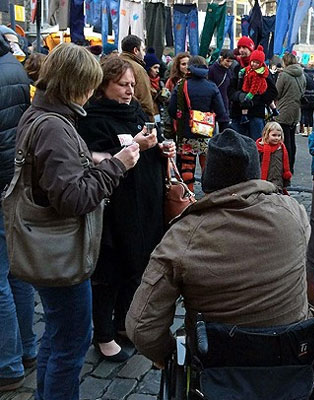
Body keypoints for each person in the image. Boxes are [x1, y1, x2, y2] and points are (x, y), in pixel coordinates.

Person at [14, 43, 139, 400]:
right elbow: (73, 199)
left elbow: (55, 174)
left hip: (50, 248)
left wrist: (95, 159)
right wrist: (117, 165)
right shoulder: (55, 125)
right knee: (70, 342)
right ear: (76, 84)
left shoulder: (43, 114)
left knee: (57, 335)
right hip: (60, 253)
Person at [125, 128, 310, 366]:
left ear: (210, 176)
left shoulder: (183, 237)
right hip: (290, 353)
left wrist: (168, 355)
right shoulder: (293, 212)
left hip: (217, 363)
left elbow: (141, 327)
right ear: (254, 174)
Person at [77, 56, 174, 362]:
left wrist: (161, 150)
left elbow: (144, 150)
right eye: (122, 85)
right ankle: (103, 334)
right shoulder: (91, 119)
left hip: (144, 207)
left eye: (132, 84)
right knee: (111, 272)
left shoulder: (137, 112)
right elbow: (95, 160)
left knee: (137, 267)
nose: (129, 90)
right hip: (114, 210)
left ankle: (123, 324)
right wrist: (135, 146)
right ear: (104, 84)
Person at [0, 30, 36, 393]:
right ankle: (27, 349)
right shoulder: (13, 66)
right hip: (12, 182)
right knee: (17, 274)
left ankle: (8, 365)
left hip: (1, 185)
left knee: (0, 278)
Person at [168, 56, 228, 191]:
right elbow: (221, 112)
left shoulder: (181, 85)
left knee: (187, 165)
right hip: (206, 133)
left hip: (186, 132)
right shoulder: (211, 87)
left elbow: (172, 110)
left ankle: (189, 195)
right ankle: (208, 195)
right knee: (207, 165)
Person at [229, 37, 278, 140]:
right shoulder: (237, 68)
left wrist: (255, 99)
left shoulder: (263, 70)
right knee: (236, 147)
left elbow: (273, 92)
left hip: (256, 115)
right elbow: (230, 90)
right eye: (240, 47)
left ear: (251, 49)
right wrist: (240, 96)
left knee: (256, 146)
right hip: (238, 114)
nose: (241, 50)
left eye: (244, 47)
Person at [274, 52, 306, 174]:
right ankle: (291, 166)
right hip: (295, 111)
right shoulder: (302, 75)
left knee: (284, 141)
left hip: (283, 111)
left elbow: (277, 93)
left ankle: (284, 168)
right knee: (291, 141)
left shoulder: (284, 75)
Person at [120, 35, 157, 120]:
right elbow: (145, 100)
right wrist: (150, 123)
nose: (144, 54)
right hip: (134, 119)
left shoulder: (112, 64)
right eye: (143, 50)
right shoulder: (138, 69)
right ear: (136, 50)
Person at [256, 121, 292, 193]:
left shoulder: (281, 148)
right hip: (263, 180)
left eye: (279, 136)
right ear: (266, 134)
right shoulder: (259, 149)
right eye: (274, 135)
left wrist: (286, 181)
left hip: (277, 180)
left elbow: (285, 165)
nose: (277, 138)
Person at [239, 45, 270, 125]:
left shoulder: (258, 74)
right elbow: (247, 68)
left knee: (245, 103)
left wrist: (250, 95)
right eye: (253, 62)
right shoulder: (250, 68)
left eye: (257, 63)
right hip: (247, 88)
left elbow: (254, 87)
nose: (254, 64)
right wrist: (242, 70)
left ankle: (244, 116)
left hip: (257, 92)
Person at [208, 49, 235, 117]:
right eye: (227, 61)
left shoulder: (229, 71)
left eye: (231, 62)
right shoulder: (211, 70)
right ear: (221, 58)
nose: (229, 64)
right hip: (213, 105)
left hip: (225, 105)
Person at [144, 47, 170, 120]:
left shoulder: (160, 82)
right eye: (155, 68)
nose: (157, 71)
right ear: (148, 68)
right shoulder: (144, 82)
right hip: (147, 115)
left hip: (157, 114)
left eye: (158, 68)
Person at [300, 60, 314, 137]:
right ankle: (311, 130)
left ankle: (305, 130)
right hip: (313, 96)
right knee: (310, 114)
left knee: (305, 114)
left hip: (305, 95)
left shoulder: (304, 73)